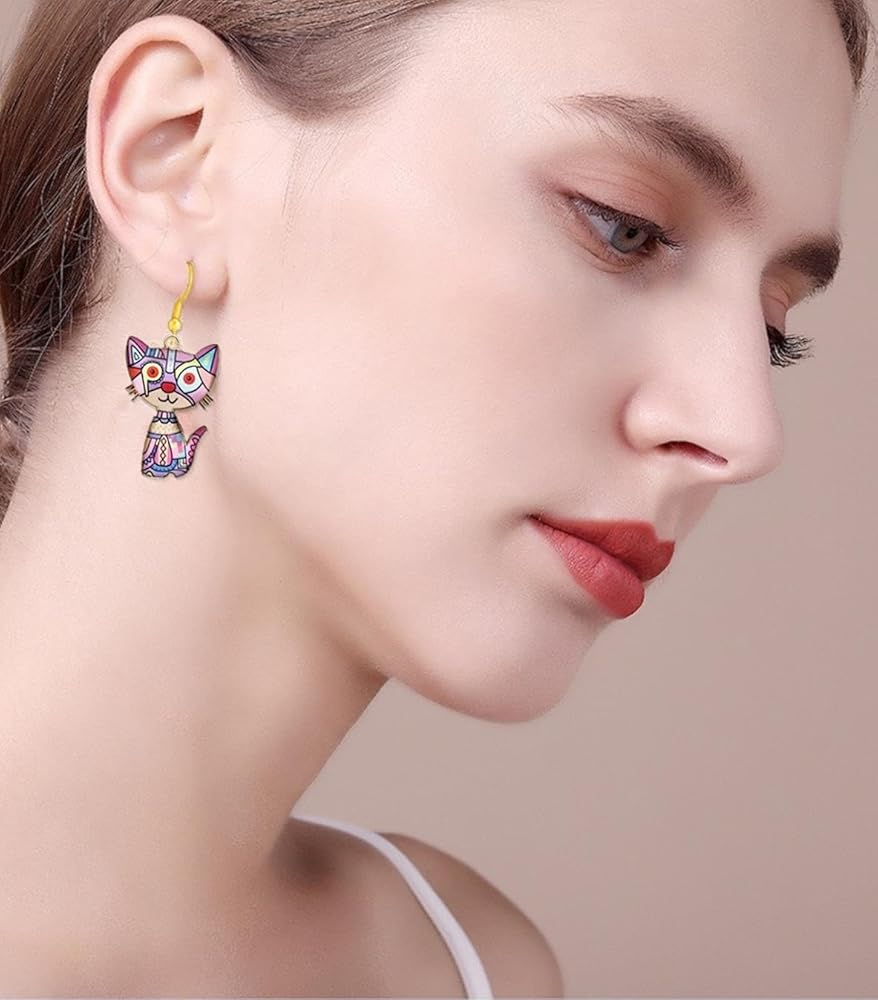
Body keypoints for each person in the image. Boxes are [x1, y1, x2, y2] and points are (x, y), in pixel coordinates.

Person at [0, 0, 872, 995]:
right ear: (177, 156)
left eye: (770, 329)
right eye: (623, 227)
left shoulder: (466, 968)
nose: (743, 428)